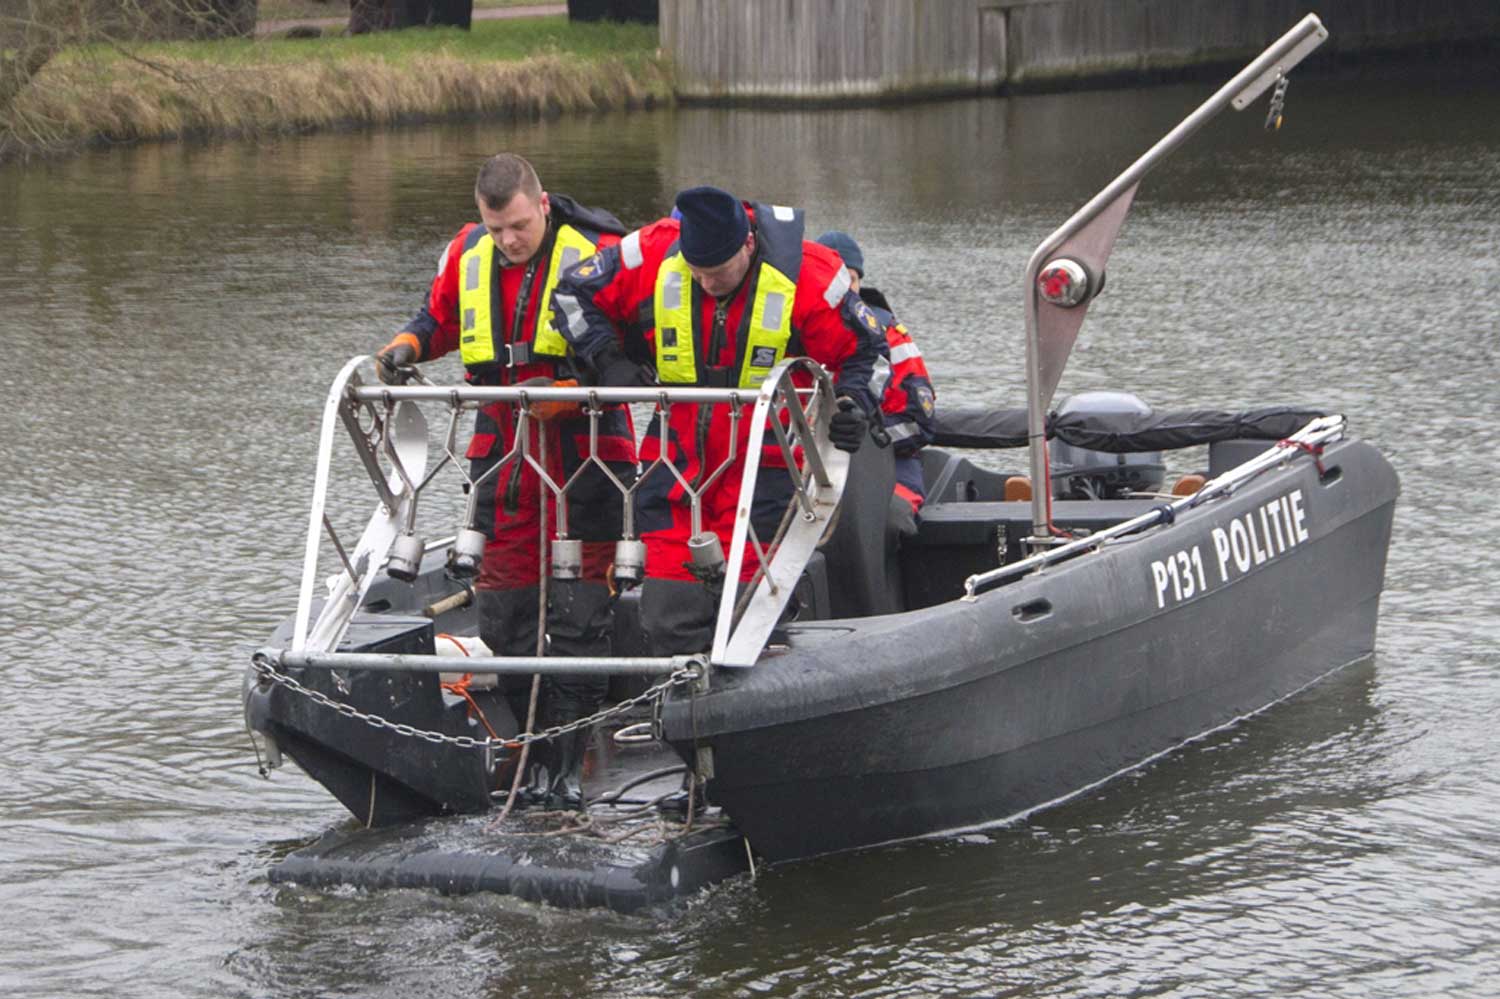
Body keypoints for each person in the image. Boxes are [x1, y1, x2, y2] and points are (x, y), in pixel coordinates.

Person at [373, 153, 635, 809]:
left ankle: (569, 763)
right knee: (505, 613)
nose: (507, 241)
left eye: (517, 226)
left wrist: (574, 392)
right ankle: (535, 754)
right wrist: (407, 344)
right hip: (503, 452)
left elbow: (638, 353)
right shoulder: (467, 255)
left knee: (578, 617)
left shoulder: (601, 253)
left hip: (587, 451)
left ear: (542, 204)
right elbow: (439, 320)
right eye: (495, 230)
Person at [550, 186, 887, 655]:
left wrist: (853, 405)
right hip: (675, 461)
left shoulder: (810, 274)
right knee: (667, 611)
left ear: (748, 244)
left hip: (763, 465)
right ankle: (684, 708)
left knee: (750, 614)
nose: (706, 283)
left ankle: (752, 713)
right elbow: (570, 294)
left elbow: (868, 352)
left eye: (718, 272)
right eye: (696, 272)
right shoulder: (651, 250)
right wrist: (608, 360)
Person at [815, 230, 937, 530]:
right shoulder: (792, 331)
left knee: (887, 520)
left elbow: (919, 424)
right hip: (806, 469)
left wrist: (865, 438)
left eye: (850, 280)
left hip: (887, 465)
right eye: (834, 282)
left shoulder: (891, 337)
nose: (843, 291)